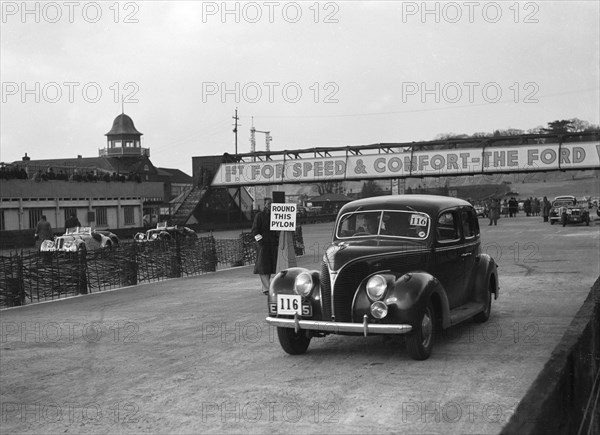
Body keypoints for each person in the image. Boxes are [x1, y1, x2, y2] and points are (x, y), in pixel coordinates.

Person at [251, 198, 279, 295]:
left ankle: (266, 288)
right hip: (263, 245)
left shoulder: (275, 216)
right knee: (263, 266)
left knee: (270, 266)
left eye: (272, 203)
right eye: (268, 204)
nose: (270, 205)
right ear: (264, 205)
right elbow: (254, 230)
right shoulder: (259, 216)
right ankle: (267, 288)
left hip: (272, 244)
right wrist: (261, 241)